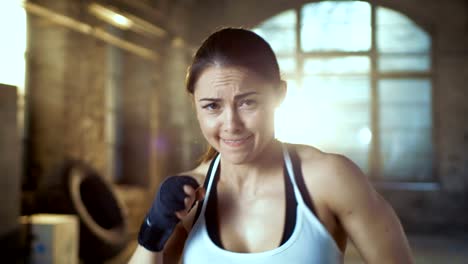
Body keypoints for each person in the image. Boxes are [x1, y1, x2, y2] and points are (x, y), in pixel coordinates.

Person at [129, 27, 413, 264]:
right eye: (212, 106)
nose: (231, 124)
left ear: (279, 96)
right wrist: (154, 226)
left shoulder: (329, 178)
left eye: (247, 102)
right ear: (196, 106)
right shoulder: (188, 196)